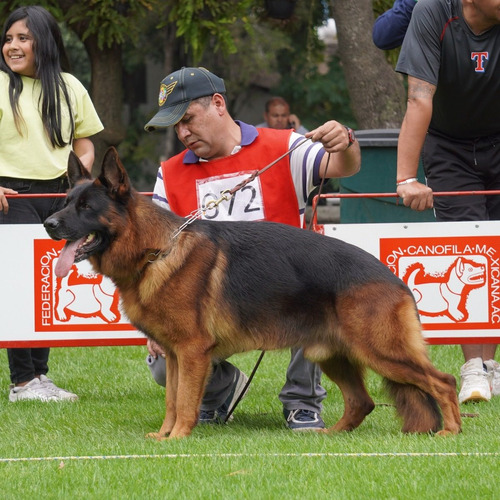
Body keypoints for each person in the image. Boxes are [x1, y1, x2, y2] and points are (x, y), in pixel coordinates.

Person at [144, 67, 360, 430]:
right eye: (175, 126)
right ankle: (219, 393)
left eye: (188, 120)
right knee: (162, 362)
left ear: (217, 104)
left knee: (316, 295)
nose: (182, 133)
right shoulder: (169, 172)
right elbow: (158, 250)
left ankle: (302, 403)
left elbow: (343, 166)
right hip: (216, 304)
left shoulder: (285, 146)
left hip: (285, 291)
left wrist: (347, 141)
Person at [395, 0, 500, 403]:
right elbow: (420, 97)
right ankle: (476, 366)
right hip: (448, 144)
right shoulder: (433, 13)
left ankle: (491, 366)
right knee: (470, 247)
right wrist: (406, 177)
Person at [0, 6, 104, 402]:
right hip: (9, 197)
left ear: (44, 42)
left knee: (43, 283)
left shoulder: (69, 86)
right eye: (8, 38)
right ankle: (22, 382)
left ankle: (39, 377)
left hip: (58, 197)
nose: (13, 46)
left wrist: (80, 179)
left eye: (23, 38)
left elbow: (85, 142)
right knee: (17, 287)